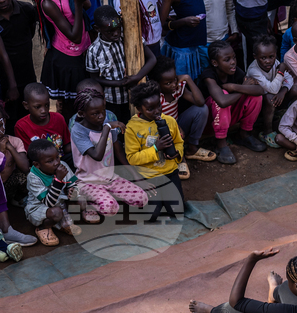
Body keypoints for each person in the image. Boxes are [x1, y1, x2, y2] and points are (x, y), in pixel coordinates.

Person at [69, 89, 149, 222]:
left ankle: (108, 196)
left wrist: (136, 176)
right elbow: (97, 155)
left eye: (103, 111)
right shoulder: (78, 130)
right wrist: (106, 128)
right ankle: (87, 202)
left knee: (142, 198)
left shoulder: (104, 120)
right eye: (95, 114)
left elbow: (118, 151)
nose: (101, 116)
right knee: (110, 208)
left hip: (110, 179)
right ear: (82, 114)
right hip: (88, 182)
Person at [32, 0, 92, 110]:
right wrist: (78, 4)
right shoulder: (48, 2)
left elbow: (88, 5)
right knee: (72, 105)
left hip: (81, 52)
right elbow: (75, 37)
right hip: (66, 58)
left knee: (84, 102)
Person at [86, 6, 158, 123]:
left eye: (118, 28)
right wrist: (119, 83)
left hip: (137, 95)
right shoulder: (94, 50)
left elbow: (152, 59)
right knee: (119, 128)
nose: (116, 34)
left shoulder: (130, 36)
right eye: (110, 32)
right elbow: (94, 78)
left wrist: (137, 77)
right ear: (97, 29)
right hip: (113, 100)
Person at [199, 41, 266, 164]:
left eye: (234, 57)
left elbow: (260, 90)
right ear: (215, 63)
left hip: (228, 118)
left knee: (255, 96)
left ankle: (244, 134)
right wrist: (242, 89)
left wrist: (234, 87)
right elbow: (222, 102)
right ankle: (221, 143)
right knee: (223, 95)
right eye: (227, 59)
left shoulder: (235, 71)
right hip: (209, 123)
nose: (233, 62)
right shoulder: (209, 76)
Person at [125, 82, 187, 214]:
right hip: (149, 176)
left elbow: (179, 142)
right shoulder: (132, 128)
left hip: (170, 173)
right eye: (150, 108)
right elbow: (132, 158)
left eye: (159, 105)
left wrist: (177, 153)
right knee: (152, 215)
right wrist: (155, 148)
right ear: (139, 108)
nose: (157, 111)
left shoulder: (169, 121)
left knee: (177, 211)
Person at [149, 56, 216, 164]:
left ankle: (192, 149)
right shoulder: (155, 97)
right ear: (157, 83)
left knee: (202, 109)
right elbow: (156, 120)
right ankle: (178, 156)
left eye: (175, 79)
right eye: (168, 83)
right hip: (161, 130)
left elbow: (200, 102)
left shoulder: (177, 88)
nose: (173, 84)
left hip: (178, 125)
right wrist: (175, 128)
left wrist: (187, 78)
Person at [24, 138, 81, 246]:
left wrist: (73, 191)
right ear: (37, 164)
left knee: (81, 199)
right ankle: (43, 227)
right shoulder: (33, 177)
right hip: (39, 208)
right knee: (56, 213)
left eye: (57, 158)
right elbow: (48, 203)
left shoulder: (62, 165)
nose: (56, 163)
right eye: (50, 161)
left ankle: (61, 223)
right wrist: (58, 181)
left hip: (59, 203)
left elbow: (73, 184)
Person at [247, 36, 292, 147]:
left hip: (276, 97)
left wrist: (284, 91)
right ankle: (267, 132)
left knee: (295, 89)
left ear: (275, 54)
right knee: (269, 97)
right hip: (260, 104)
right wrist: (281, 72)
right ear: (255, 57)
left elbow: (290, 79)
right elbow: (272, 89)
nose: (268, 61)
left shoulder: (275, 63)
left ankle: (284, 118)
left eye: (271, 57)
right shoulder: (254, 70)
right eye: (263, 58)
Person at [0, 96, 29, 209]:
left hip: (9, 187)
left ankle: (16, 199)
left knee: (29, 175)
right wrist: (0, 151)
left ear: (4, 122)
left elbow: (25, 167)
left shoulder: (15, 141)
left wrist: (9, 146)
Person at [15, 84, 71, 163]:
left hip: (61, 160)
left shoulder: (59, 118)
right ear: (26, 105)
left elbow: (67, 146)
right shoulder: (21, 126)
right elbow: (30, 156)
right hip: (41, 165)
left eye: (47, 105)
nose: (43, 111)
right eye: (38, 107)